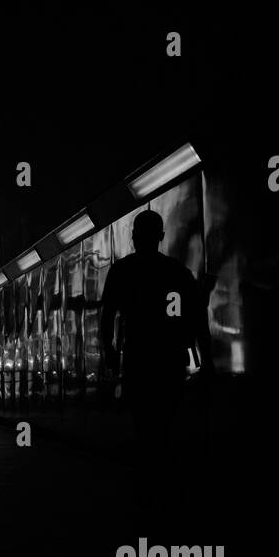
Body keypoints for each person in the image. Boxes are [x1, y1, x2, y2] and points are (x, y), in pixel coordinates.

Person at [100, 209, 214, 506]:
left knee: (144, 418)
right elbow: (197, 318)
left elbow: (108, 313)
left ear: (133, 237)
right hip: (169, 357)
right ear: (161, 237)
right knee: (165, 416)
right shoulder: (177, 272)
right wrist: (207, 358)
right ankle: (163, 478)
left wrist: (109, 349)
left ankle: (148, 478)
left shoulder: (121, 271)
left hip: (138, 356)